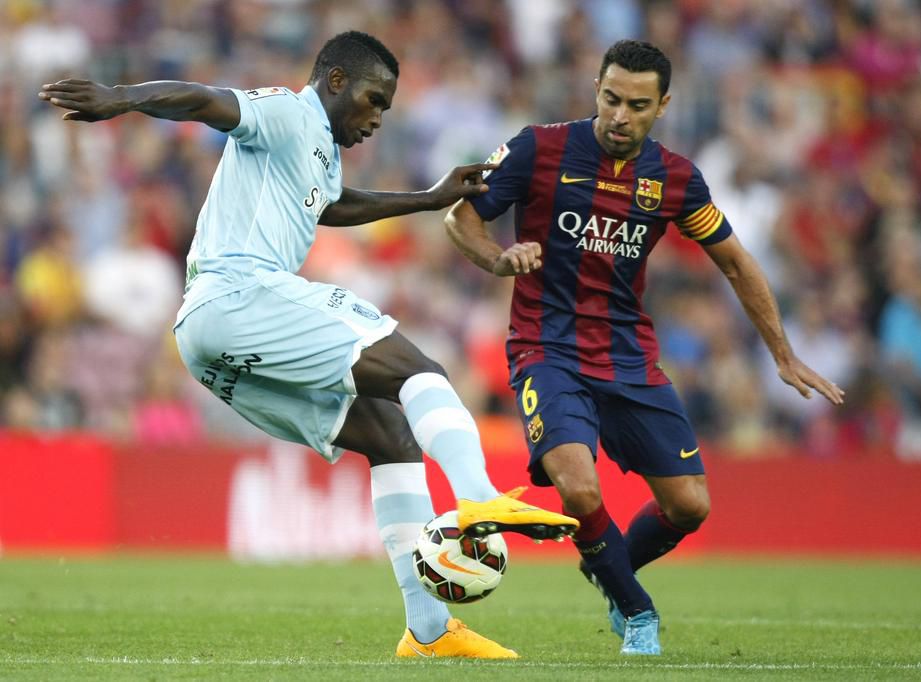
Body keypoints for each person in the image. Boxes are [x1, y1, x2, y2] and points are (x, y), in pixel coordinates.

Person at [40, 30, 578, 660]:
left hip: (208, 341)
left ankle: (430, 632)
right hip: (239, 295)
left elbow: (334, 205)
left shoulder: (318, 148)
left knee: (390, 436)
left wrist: (429, 199)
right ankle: (479, 497)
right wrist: (120, 97)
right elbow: (205, 100)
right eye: (374, 100)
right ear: (338, 81)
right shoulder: (287, 112)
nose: (378, 117)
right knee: (418, 367)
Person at [445, 39, 845, 656]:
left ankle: (610, 569)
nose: (619, 115)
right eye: (610, 99)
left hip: (628, 357)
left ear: (662, 106)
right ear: (596, 91)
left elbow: (737, 264)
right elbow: (461, 220)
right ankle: (638, 612)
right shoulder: (538, 147)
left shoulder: (677, 178)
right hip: (544, 348)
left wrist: (783, 355)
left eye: (636, 104)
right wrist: (499, 259)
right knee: (580, 492)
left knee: (689, 506)